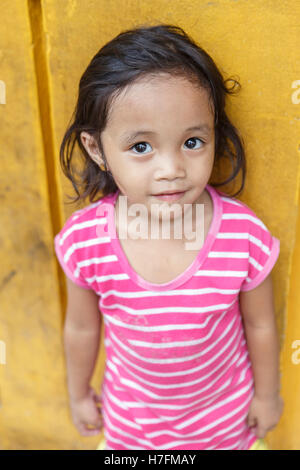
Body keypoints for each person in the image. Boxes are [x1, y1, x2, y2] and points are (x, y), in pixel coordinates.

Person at [54, 23, 284, 450]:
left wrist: (268, 396)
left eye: (193, 141)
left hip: (226, 428)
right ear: (96, 149)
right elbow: (82, 329)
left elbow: (260, 324)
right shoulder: (87, 242)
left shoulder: (242, 235)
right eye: (141, 147)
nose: (171, 169)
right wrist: (78, 392)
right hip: (132, 433)